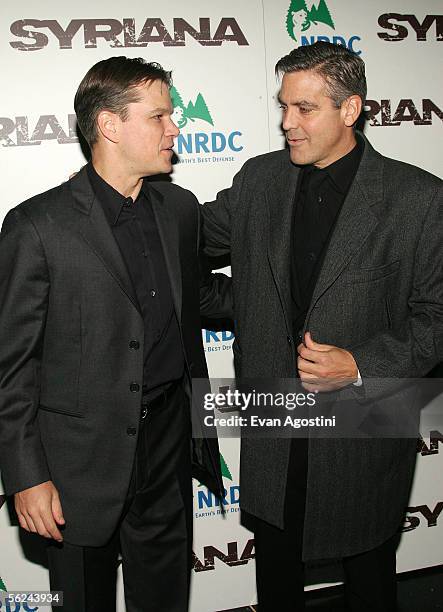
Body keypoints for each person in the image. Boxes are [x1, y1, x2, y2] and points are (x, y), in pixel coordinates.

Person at [201, 42, 443, 611]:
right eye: (283, 107)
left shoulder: (418, 198)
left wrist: (361, 364)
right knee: (277, 569)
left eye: (304, 109)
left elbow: (436, 318)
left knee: (369, 570)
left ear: (350, 109)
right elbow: (183, 243)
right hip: (276, 421)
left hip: (363, 420)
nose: (287, 123)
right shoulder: (260, 180)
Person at [0, 56, 231, 612]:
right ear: (109, 125)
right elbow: (11, 367)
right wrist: (26, 476)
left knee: (166, 596)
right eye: (159, 116)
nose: (175, 128)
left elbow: (197, 298)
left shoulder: (178, 208)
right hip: (78, 461)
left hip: (169, 441)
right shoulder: (36, 226)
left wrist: (288, 305)